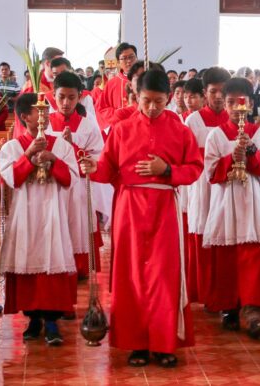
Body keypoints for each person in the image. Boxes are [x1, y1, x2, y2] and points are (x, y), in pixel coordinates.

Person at [80, 69, 203, 368]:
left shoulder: (180, 129)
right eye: (146, 101)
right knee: (131, 274)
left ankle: (164, 344)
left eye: (159, 101)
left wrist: (168, 170)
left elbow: (195, 167)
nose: (152, 107)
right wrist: (92, 166)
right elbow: (108, 169)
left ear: (169, 98)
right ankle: (136, 343)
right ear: (136, 97)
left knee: (163, 275)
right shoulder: (121, 130)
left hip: (164, 207)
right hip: (130, 207)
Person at [202, 77, 260, 339]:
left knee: (253, 255)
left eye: (241, 102)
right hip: (225, 200)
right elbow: (211, 173)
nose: (237, 107)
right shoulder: (215, 135)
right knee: (227, 257)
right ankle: (229, 307)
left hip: (252, 201)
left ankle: (253, 310)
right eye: (231, 102)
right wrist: (230, 159)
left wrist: (249, 153)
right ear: (223, 104)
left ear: (251, 103)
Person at [0, 93, 79, 345]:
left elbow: (71, 179)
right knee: (27, 258)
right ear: (25, 117)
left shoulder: (60, 145)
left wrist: (53, 159)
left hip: (53, 210)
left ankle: (53, 321)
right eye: (37, 111)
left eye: (45, 111)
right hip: (26, 212)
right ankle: (33, 318)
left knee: (53, 258)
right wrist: (28, 156)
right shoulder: (12, 146)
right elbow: (10, 179)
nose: (44, 116)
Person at [46, 71, 107, 278]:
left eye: (71, 97)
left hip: (79, 186)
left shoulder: (88, 125)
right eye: (61, 97)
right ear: (54, 95)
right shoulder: (44, 122)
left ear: (79, 96)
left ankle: (79, 267)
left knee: (78, 223)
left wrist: (73, 145)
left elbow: (98, 156)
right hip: (52, 185)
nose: (66, 102)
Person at [184, 66, 230, 305]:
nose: (219, 97)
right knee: (202, 233)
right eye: (213, 92)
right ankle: (202, 290)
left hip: (226, 186)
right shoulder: (193, 120)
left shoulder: (235, 117)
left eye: (223, 92)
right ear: (205, 93)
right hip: (202, 184)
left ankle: (223, 294)